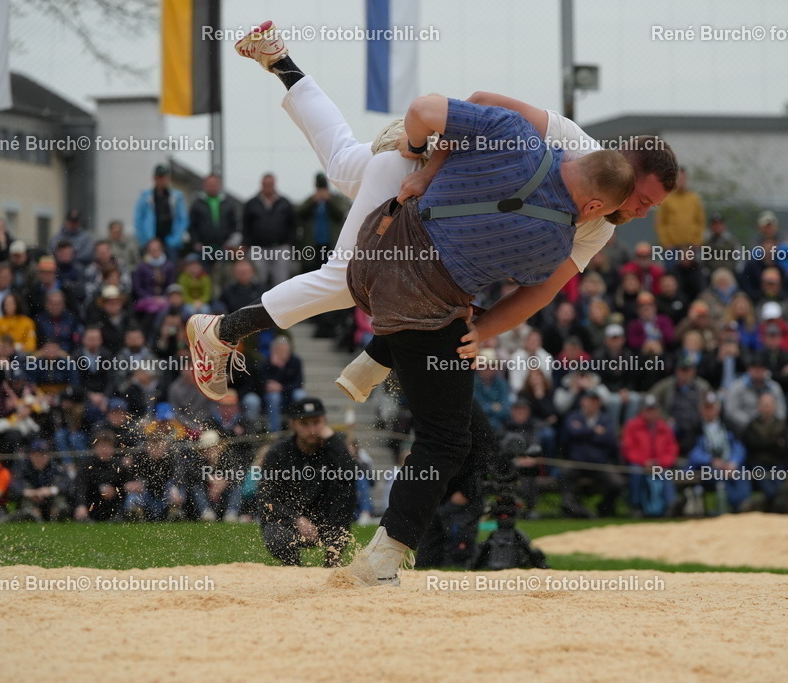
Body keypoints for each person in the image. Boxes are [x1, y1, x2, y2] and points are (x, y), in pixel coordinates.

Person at [188, 20, 677, 404]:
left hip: (419, 192)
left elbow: (541, 291)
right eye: (643, 200)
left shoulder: (598, 226)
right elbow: (481, 104)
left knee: (341, 163)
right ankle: (221, 330)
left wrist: (481, 329)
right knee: (344, 281)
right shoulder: (574, 145)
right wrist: (426, 168)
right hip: (416, 169)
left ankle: (281, 60)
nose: (639, 213)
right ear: (624, 170)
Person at [258, 398, 357, 566]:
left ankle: (332, 559)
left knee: (345, 486)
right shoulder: (278, 453)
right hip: (290, 520)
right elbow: (266, 497)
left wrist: (333, 439)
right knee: (276, 533)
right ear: (293, 424)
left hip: (326, 520)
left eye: (316, 422)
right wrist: (296, 519)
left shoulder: (333, 448)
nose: (311, 429)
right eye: (304, 423)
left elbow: (352, 473)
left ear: (325, 422)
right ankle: (293, 566)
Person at [558, 390, 621, 518]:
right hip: (578, 462)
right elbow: (571, 433)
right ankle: (571, 506)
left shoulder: (606, 418)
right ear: (582, 401)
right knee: (564, 474)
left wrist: (583, 432)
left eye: (595, 401)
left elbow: (609, 438)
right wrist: (595, 432)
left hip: (599, 464)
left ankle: (604, 506)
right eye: (589, 400)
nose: (592, 404)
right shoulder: (573, 416)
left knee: (617, 483)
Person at [622, 394, 678, 517]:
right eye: (648, 410)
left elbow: (672, 450)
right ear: (642, 411)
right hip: (640, 465)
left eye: (653, 409)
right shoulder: (632, 426)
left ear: (658, 411)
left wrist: (659, 462)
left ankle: (670, 506)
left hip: (659, 464)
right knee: (635, 471)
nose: (651, 413)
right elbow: (628, 449)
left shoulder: (665, 428)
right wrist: (644, 462)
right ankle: (636, 506)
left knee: (665, 473)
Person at [242, 172, 297, 286]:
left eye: (270, 184)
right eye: (265, 184)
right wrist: (246, 245)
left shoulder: (285, 203)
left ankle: (282, 303)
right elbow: (245, 226)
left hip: (281, 247)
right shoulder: (251, 204)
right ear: (261, 184)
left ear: (274, 184)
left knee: (282, 281)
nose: (267, 187)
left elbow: (293, 224)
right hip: (258, 249)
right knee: (258, 280)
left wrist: (290, 243)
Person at [73, 428, 130, 522]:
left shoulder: (119, 466)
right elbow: (80, 487)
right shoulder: (87, 466)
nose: (105, 450)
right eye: (102, 446)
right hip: (91, 506)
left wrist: (116, 490)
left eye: (108, 446)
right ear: (95, 448)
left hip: (114, 507)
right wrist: (81, 505)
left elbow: (127, 484)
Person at [296, 172, 349, 273]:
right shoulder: (312, 199)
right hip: (312, 245)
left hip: (330, 244)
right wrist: (313, 201)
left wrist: (329, 200)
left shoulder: (335, 199)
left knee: (330, 272)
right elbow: (300, 213)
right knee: (311, 271)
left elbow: (341, 214)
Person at [134, 164, 189, 259]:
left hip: (170, 241)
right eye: (159, 177)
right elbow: (138, 220)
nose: (161, 180)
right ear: (154, 178)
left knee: (170, 269)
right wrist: (146, 241)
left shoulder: (177, 197)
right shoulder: (145, 197)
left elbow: (183, 219)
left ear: (168, 178)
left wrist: (175, 239)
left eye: (163, 177)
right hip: (151, 242)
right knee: (150, 271)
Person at [9, 439, 71, 521]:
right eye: (35, 455)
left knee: (58, 489)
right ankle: (31, 513)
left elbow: (67, 483)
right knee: (25, 486)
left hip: (50, 501)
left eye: (42, 455)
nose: (39, 458)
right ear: (30, 455)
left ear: (48, 456)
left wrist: (51, 490)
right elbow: (13, 485)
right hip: (31, 500)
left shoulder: (55, 467)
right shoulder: (23, 467)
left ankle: (58, 513)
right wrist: (30, 493)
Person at [654, 166, 705, 249]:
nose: (681, 181)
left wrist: (697, 241)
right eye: (679, 178)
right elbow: (660, 222)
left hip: (691, 246)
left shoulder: (694, 198)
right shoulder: (666, 199)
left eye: (683, 178)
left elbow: (700, 221)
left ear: (687, 179)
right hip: (672, 247)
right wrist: (666, 242)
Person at [188, 174, 238, 255]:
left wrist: (230, 242)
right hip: (203, 247)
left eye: (214, 184)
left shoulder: (228, 203)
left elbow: (234, 224)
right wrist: (196, 242)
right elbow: (192, 225)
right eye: (209, 185)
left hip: (224, 247)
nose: (212, 187)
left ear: (219, 185)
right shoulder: (197, 203)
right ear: (205, 186)